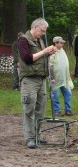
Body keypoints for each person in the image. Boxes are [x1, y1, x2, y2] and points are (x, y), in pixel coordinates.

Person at [17, 18, 56, 149]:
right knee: (29, 108)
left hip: (41, 79)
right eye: (42, 31)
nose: (43, 33)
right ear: (35, 27)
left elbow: (40, 58)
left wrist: (48, 54)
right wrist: (44, 52)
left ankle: (38, 135)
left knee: (40, 109)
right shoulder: (23, 40)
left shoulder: (39, 41)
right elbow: (27, 59)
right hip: (29, 79)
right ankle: (30, 138)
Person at [49, 36, 74, 117]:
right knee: (55, 95)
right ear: (56, 43)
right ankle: (56, 111)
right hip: (55, 78)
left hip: (64, 78)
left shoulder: (63, 51)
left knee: (68, 93)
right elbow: (50, 66)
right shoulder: (52, 51)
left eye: (63, 42)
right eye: (61, 42)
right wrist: (52, 77)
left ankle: (68, 110)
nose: (63, 44)